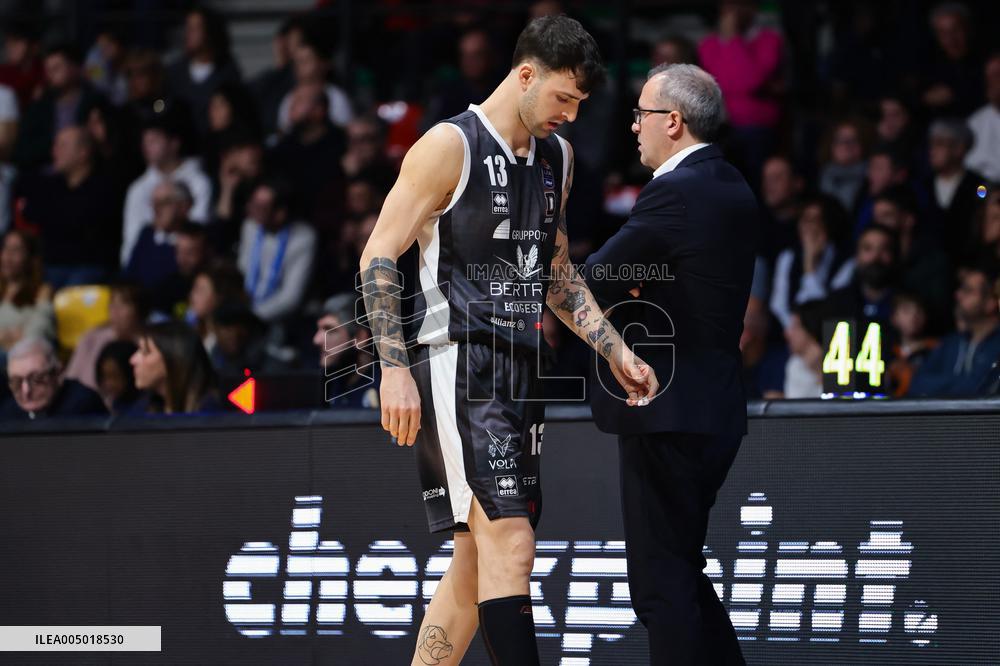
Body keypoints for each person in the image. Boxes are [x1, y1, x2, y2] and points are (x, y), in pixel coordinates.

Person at [359, 16, 654, 666]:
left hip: (525, 372)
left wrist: (613, 347)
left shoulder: (558, 159)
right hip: (459, 365)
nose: (570, 116)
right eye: (563, 98)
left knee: (476, 565)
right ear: (526, 74)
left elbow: (556, 274)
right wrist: (394, 368)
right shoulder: (449, 145)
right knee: (513, 545)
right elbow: (380, 251)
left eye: (579, 104)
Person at [583, 62, 757, 664]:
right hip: (715, 407)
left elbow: (593, 280)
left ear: (673, 122)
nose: (633, 127)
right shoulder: (732, 183)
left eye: (641, 114)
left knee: (660, 583)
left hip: (666, 407)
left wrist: (630, 295)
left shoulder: (674, 191)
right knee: (680, 570)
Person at [908, 264, 1000, 397]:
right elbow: (917, 383)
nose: (958, 295)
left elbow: (983, 386)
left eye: (968, 290)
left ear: (990, 303)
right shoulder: (950, 343)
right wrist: (963, 383)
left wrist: (944, 384)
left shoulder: (997, 345)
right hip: (946, 417)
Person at [64, 282, 148, 392]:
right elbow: (71, 378)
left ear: (140, 310)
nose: (115, 312)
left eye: (123, 305)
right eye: (112, 305)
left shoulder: (150, 344)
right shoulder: (92, 338)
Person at [0, 337, 106, 420]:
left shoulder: (84, 406)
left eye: (37, 379)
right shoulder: (7, 414)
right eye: (16, 382)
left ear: (59, 374)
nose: (26, 391)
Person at [129, 320, 219, 414]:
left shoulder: (212, 411)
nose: (133, 360)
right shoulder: (144, 408)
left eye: (145, 352)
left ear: (174, 359)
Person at [0, 230, 54, 356]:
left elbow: (37, 334)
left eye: (16, 250)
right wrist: (7, 336)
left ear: (30, 259)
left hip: (21, 358)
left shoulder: (41, 291)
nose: (7, 256)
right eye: (5, 248)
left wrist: (14, 341)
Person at [964, 53, 1000, 182]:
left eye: (997, 75)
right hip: (985, 191)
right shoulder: (974, 123)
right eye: (988, 77)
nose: (992, 82)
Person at [94, 339, 139, 413]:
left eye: (115, 376)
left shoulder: (146, 408)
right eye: (104, 376)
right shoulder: (114, 404)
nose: (109, 384)